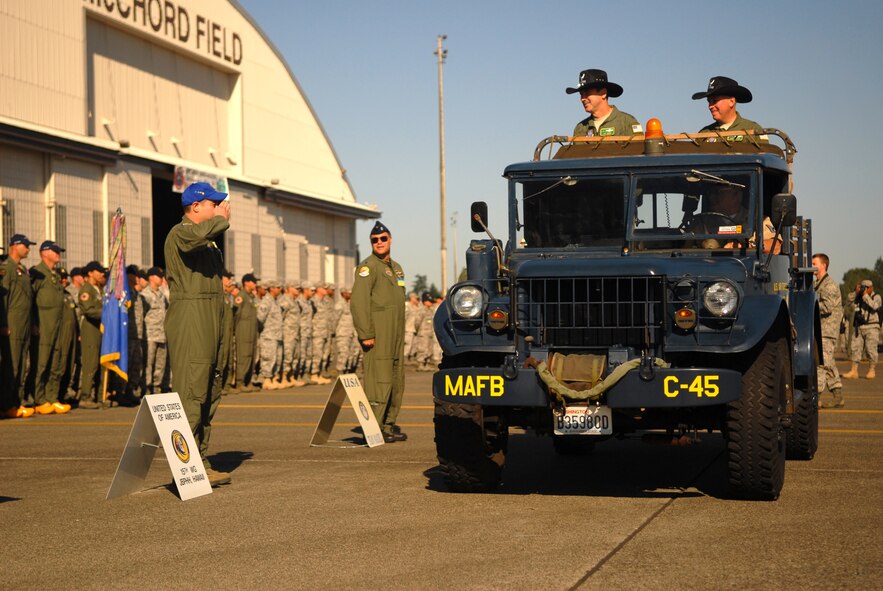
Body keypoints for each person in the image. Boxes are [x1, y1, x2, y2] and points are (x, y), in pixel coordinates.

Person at [164, 181, 231, 486]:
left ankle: (200, 459)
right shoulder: (182, 233)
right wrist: (221, 221)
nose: (218, 209)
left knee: (210, 386)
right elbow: (193, 238)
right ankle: (185, 464)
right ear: (195, 207)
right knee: (193, 388)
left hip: (212, 314)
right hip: (192, 316)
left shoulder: (208, 241)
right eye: (213, 204)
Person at [351, 221, 407, 443]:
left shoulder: (397, 268)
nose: (379, 243)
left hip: (396, 333)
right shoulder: (368, 268)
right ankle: (373, 428)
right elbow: (359, 302)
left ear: (390, 239)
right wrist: (366, 333)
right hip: (379, 333)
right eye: (375, 240)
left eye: (383, 238)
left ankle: (388, 424)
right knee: (379, 380)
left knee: (396, 378)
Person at [29, 241, 71, 414]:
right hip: (44, 324)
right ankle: (39, 399)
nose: (58, 254)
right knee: (42, 362)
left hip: (57, 325)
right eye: (55, 251)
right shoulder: (36, 273)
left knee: (56, 361)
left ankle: (52, 397)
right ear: (45, 253)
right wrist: (33, 323)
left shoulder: (53, 275)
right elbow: (30, 298)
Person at [1, 234, 37, 418]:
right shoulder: (6, 268)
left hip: (24, 322)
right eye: (25, 245)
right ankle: (7, 403)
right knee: (11, 365)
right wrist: (3, 323)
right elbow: (3, 299)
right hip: (12, 322)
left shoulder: (22, 269)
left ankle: (16, 401)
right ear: (14, 246)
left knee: (23, 363)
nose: (28, 249)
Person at [566, 68, 642, 137]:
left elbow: (638, 150)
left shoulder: (627, 123)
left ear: (603, 93)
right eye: (581, 94)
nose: (582, 99)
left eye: (587, 93)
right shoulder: (580, 129)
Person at [813, 254, 844, 408]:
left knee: (821, 365)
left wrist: (810, 309)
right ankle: (838, 396)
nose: (812, 266)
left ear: (824, 265)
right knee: (829, 363)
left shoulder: (829, 285)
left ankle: (816, 397)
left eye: (814, 263)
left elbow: (827, 307)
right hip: (822, 330)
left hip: (827, 330)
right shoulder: (818, 284)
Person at [77, 261, 106, 409]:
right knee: (90, 363)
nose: (102, 274)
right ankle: (85, 396)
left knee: (100, 363)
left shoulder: (98, 290)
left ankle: (99, 396)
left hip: (99, 329)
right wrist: (106, 314)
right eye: (99, 271)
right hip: (90, 329)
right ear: (90, 273)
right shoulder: (86, 289)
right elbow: (88, 310)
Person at [692, 76, 762, 133]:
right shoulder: (704, 134)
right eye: (709, 101)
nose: (710, 106)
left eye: (715, 101)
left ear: (731, 102)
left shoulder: (753, 130)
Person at [842, 279, 881, 380]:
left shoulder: (876, 297)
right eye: (863, 287)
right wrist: (857, 292)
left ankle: (872, 369)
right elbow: (848, 300)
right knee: (856, 348)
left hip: (872, 327)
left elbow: (875, 306)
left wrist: (866, 296)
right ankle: (854, 371)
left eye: (866, 287)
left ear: (871, 288)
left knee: (870, 349)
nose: (864, 289)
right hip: (859, 326)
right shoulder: (858, 297)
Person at [142, 267, 169, 394]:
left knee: (160, 364)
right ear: (151, 277)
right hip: (150, 335)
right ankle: (146, 387)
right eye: (159, 276)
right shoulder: (145, 295)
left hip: (162, 335)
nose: (161, 279)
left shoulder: (162, 294)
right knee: (149, 363)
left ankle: (157, 387)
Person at [256, 278, 284, 390]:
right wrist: (263, 332)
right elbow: (259, 319)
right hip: (268, 336)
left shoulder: (275, 301)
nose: (280, 289)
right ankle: (266, 380)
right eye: (277, 287)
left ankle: (271, 378)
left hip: (276, 336)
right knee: (268, 358)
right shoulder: (266, 301)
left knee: (276, 358)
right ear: (271, 288)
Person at [235, 273, 259, 391]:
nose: (255, 283)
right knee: (243, 355)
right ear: (246, 282)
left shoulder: (251, 297)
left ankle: (248, 381)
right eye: (253, 281)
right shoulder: (241, 296)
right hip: (243, 330)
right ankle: (240, 382)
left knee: (251, 354)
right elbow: (236, 314)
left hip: (252, 331)